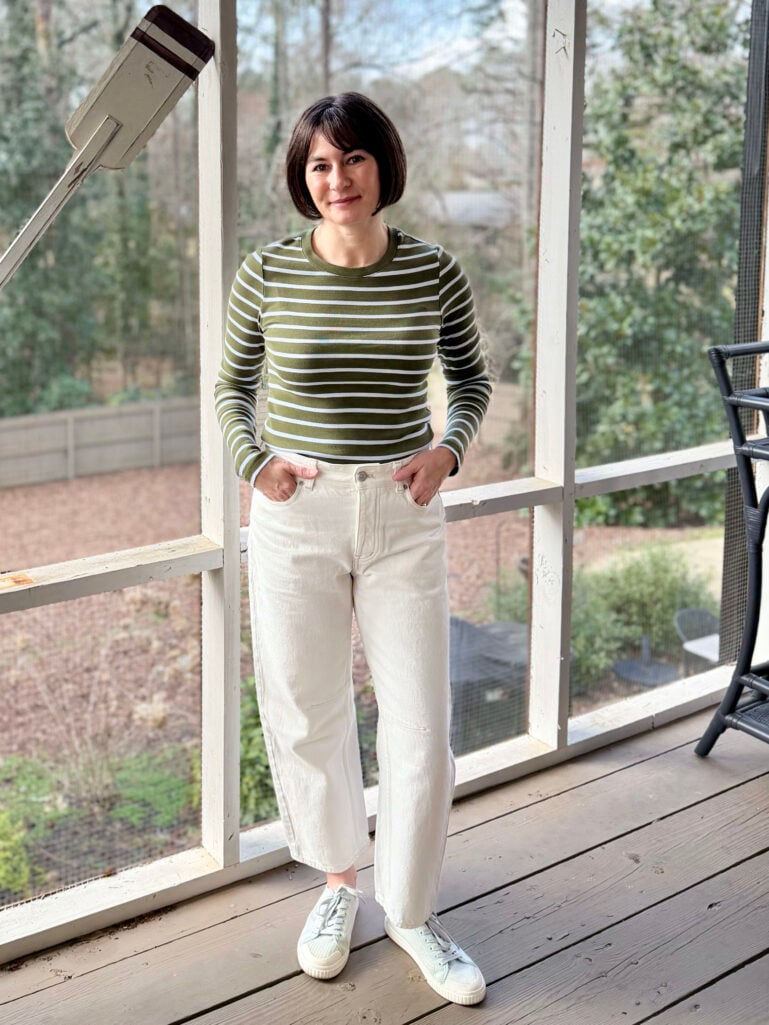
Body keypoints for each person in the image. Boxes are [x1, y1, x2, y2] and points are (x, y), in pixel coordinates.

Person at [215, 91, 491, 1006]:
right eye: (319, 165)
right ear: (303, 178)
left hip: (400, 513)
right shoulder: (264, 273)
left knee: (420, 724)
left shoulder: (433, 272)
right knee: (306, 709)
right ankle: (339, 884)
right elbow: (228, 387)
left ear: (383, 166)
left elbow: (471, 377)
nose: (337, 179)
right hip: (298, 513)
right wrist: (258, 464)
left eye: (354, 159)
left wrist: (448, 448)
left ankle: (410, 910)